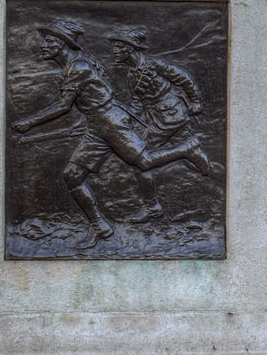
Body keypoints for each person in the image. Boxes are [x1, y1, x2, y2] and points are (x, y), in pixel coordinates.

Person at [12, 19, 209, 247]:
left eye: (50, 41)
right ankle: (100, 226)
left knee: (144, 162)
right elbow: (99, 97)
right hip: (100, 124)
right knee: (72, 176)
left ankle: (187, 149)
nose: (44, 45)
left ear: (63, 45)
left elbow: (64, 106)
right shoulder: (73, 67)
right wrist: (88, 120)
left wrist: (29, 122)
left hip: (110, 123)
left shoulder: (79, 68)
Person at [107, 26, 206, 222]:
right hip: (156, 119)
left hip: (171, 115)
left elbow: (184, 78)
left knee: (140, 160)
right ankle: (202, 163)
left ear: (130, 48)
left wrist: (195, 101)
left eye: (118, 47)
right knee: (201, 164)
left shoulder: (155, 65)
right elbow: (137, 103)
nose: (114, 51)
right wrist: (125, 119)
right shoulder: (131, 74)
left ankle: (152, 208)